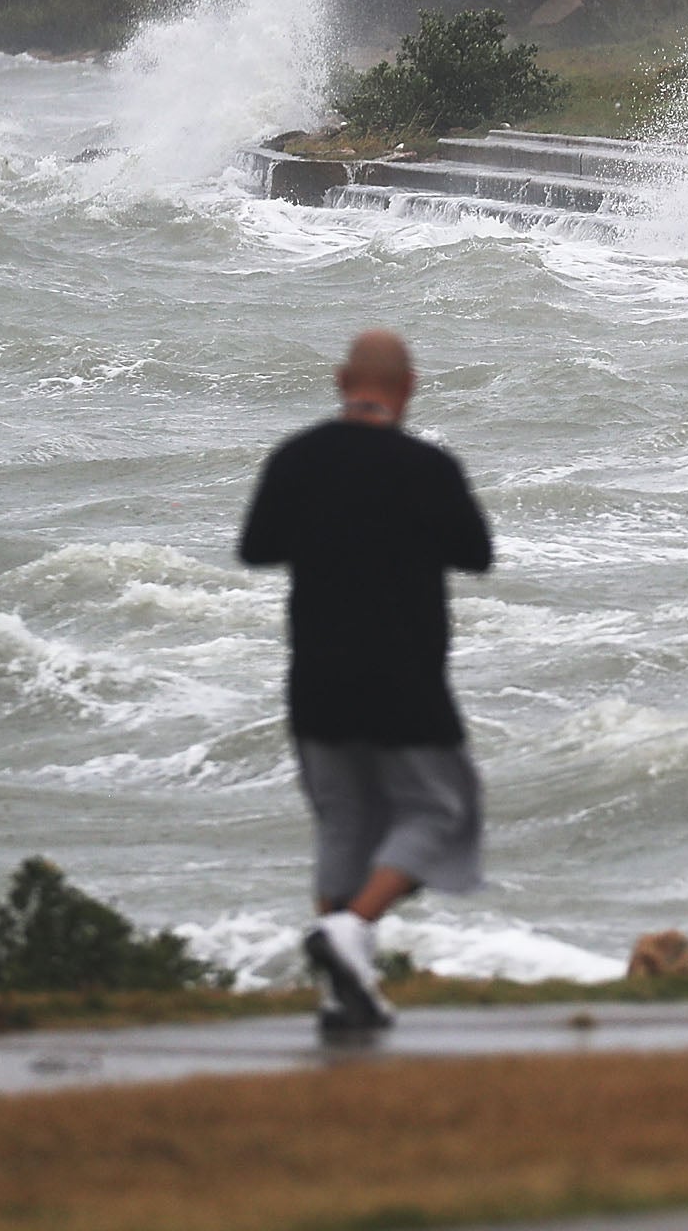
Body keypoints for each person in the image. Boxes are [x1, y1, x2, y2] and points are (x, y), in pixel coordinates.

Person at [237, 328, 493, 1035]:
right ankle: (351, 929)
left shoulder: (297, 458)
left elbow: (257, 548)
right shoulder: (427, 468)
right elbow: (476, 554)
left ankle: (341, 993)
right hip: (404, 676)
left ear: (340, 381)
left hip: (317, 675)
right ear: (409, 388)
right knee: (441, 812)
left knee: (343, 824)